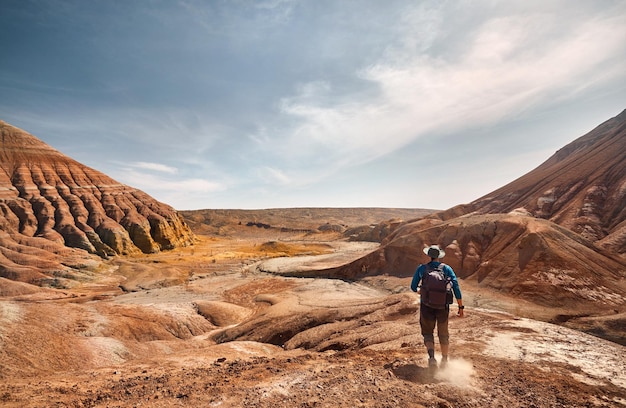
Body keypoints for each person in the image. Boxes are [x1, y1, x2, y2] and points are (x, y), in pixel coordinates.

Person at [410, 244, 464, 368]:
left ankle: (432, 358)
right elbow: (456, 288)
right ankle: (444, 360)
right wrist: (461, 308)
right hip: (443, 307)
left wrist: (422, 291)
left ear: (429, 255)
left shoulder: (422, 269)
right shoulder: (447, 269)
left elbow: (413, 287)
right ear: (439, 256)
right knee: (443, 334)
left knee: (428, 333)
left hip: (426, 305)